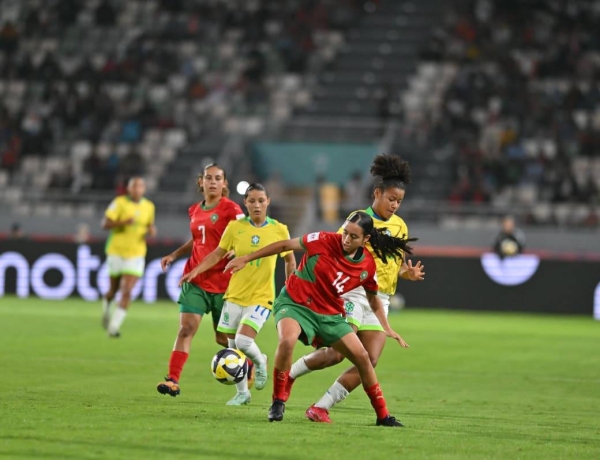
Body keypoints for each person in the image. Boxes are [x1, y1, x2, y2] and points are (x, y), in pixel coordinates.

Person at [225, 211, 415, 427]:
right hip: (295, 302)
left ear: (366, 239)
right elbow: (284, 245)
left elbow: (373, 300)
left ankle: (383, 415)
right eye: (345, 232)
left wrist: (387, 327)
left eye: (353, 236)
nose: (346, 239)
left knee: (363, 357)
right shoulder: (323, 239)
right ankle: (278, 401)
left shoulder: (367, 265)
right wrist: (246, 258)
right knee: (287, 340)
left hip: (328, 312)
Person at [287, 154, 425, 423]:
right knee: (337, 353)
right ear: (377, 193)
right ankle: (289, 374)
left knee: (369, 360)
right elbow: (339, 250)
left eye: (399, 201)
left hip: (380, 299)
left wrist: (406, 273)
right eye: (391, 199)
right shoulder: (359, 220)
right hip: (353, 292)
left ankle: (320, 407)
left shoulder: (400, 226)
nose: (395, 205)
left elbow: (393, 266)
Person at [179, 183, 296, 405]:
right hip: (234, 295)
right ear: (245, 203)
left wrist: (291, 287)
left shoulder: (279, 229)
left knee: (243, 341)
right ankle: (243, 393)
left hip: (261, 296)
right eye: (252, 201)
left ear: (268, 201)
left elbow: (289, 260)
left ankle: (260, 362)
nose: (257, 205)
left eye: (261, 200)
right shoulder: (235, 227)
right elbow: (217, 254)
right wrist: (195, 271)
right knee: (232, 348)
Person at [156, 164, 245, 397]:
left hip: (223, 283)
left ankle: (250, 361)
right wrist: (175, 254)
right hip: (195, 279)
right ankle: (173, 380)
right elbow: (197, 240)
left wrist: (237, 251)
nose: (213, 182)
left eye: (218, 178)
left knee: (222, 337)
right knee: (186, 329)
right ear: (201, 182)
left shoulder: (232, 209)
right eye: (209, 178)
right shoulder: (194, 210)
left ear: (224, 184)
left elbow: (245, 234)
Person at [101, 176, 156, 337]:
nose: (137, 190)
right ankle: (106, 309)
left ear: (143, 189)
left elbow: (149, 226)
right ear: (129, 189)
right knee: (113, 290)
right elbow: (105, 224)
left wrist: (151, 231)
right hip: (116, 250)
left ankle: (113, 327)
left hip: (136, 253)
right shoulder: (119, 203)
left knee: (127, 290)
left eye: (140, 187)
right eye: (134, 186)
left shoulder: (149, 206)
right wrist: (123, 222)